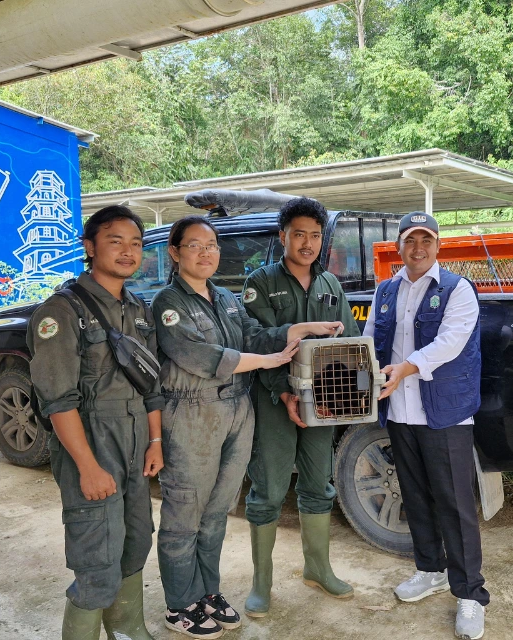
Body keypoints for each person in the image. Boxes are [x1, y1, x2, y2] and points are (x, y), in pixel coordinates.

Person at [151, 215, 344, 638]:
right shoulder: (169, 302)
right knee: (186, 510)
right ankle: (180, 604)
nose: (207, 253)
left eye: (213, 245)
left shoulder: (225, 298)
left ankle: (208, 593)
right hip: (193, 414)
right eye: (196, 245)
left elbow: (254, 335)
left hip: (236, 410)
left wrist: (299, 329)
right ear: (175, 252)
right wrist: (269, 363)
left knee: (218, 509)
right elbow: (200, 356)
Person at [28, 205, 164, 640]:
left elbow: (152, 386)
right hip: (91, 442)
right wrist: (87, 466)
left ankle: (129, 629)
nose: (128, 251)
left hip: (137, 441)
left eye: (136, 243)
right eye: (115, 241)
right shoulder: (62, 312)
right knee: (96, 559)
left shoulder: (139, 309)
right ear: (89, 247)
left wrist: (156, 440)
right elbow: (57, 400)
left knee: (135, 544)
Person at [362, 212, 488, 640]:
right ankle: (430, 569)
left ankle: (470, 595)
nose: (418, 247)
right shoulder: (385, 291)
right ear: (398, 246)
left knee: (454, 503)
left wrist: (407, 368)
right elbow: (369, 343)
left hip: (445, 413)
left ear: (438, 246)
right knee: (414, 496)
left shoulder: (457, 290)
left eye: (426, 240)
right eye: (410, 240)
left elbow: (450, 343)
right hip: (399, 412)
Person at [240, 196, 360, 617]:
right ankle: (261, 584)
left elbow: (349, 344)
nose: (307, 243)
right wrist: (284, 391)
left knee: (318, 483)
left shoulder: (331, 285)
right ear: (282, 236)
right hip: (275, 400)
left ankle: (318, 568)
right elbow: (252, 339)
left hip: (323, 404)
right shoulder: (261, 281)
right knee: (269, 489)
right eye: (298, 235)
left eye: (314, 235)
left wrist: (346, 395)